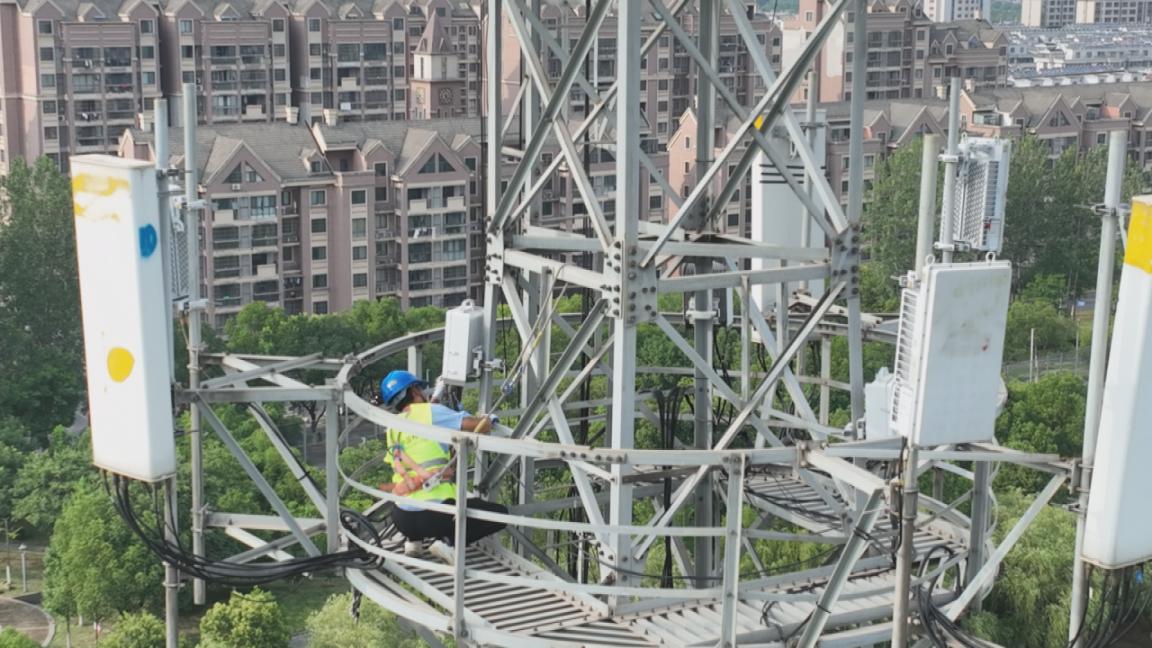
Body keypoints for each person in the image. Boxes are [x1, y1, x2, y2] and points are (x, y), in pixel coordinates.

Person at [378, 370, 507, 562]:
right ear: (414, 390)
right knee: (500, 514)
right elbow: (480, 426)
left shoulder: (393, 427)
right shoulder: (431, 412)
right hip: (434, 515)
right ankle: (448, 543)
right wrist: (490, 419)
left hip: (401, 518)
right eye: (420, 388)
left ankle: (413, 542)